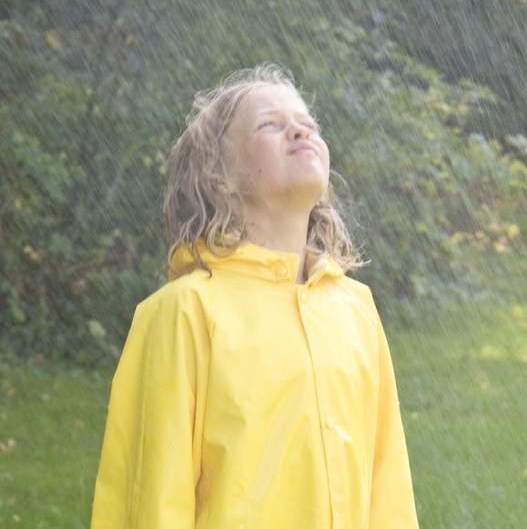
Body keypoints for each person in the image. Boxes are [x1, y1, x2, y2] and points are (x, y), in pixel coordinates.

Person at [90, 63, 419, 528]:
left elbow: (388, 487)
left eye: (309, 125)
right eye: (271, 124)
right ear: (220, 176)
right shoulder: (184, 312)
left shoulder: (356, 310)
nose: (299, 132)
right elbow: (153, 495)